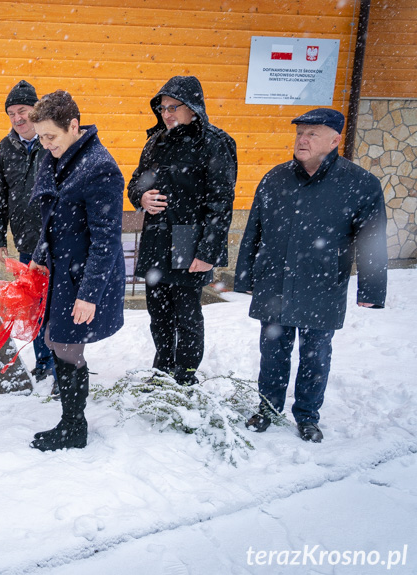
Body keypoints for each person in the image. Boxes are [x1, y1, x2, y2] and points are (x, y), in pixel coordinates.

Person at [235, 108, 387, 443]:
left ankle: (307, 415)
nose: (302, 139)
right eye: (300, 133)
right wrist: (245, 276)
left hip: (323, 284)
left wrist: (372, 290)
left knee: (315, 355)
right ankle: (268, 409)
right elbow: (254, 231)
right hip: (275, 281)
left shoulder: (360, 184)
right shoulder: (275, 178)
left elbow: (372, 240)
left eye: (312, 134)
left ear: (335, 140)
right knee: (272, 351)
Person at [27, 91, 126, 451]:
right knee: (56, 339)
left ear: (74, 126)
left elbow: (106, 239)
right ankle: (71, 422)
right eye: (40, 136)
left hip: (82, 274)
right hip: (61, 268)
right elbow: (52, 217)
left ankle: (73, 427)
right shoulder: (57, 156)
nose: (44, 143)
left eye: (50, 136)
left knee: (66, 345)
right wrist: (40, 253)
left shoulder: (99, 167)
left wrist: (89, 294)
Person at [127, 76, 237, 386]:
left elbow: (221, 204)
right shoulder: (156, 142)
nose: (167, 113)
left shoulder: (216, 142)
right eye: (162, 108)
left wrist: (207, 252)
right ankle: (162, 371)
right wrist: (141, 197)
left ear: (193, 107)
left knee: (187, 316)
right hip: (156, 238)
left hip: (189, 241)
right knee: (159, 315)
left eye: (174, 106)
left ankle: (186, 377)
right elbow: (136, 183)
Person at [0, 80, 55, 382]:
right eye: (11, 113)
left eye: (23, 111)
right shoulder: (5, 148)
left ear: (36, 110)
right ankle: (43, 361)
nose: (17, 118)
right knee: (33, 305)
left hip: (58, 238)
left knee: (58, 303)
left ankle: (63, 361)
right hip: (28, 240)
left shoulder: (52, 141)